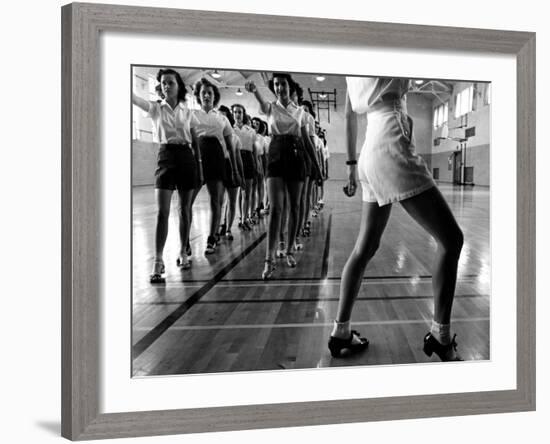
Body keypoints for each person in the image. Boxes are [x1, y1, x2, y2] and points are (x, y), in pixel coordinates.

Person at [329, 77, 464, 362]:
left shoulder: (351, 57)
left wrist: (352, 166)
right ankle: (441, 337)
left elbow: (350, 113)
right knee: (451, 240)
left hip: (369, 149)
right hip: (391, 141)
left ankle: (340, 331)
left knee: (364, 248)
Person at [245, 73, 321, 279]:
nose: (279, 88)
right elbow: (261, 102)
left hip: (296, 156)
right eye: (276, 85)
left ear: (290, 86)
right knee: (277, 208)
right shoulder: (271, 107)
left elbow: (307, 141)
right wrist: (255, 92)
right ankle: (269, 259)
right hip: (276, 154)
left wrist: (316, 166)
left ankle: (288, 250)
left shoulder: (301, 113)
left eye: (283, 84)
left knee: (295, 206)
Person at [131, 68, 198, 282]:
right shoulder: (155, 109)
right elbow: (135, 99)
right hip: (166, 156)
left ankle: (183, 251)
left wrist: (199, 166)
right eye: (164, 83)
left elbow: (195, 141)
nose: (167, 85)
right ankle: (158, 260)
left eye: (171, 82)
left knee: (185, 209)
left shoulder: (188, 112)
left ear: (178, 86)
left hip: (186, 156)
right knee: (163, 211)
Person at [191, 78, 238, 254]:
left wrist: (233, 169)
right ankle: (184, 243)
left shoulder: (222, 118)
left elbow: (230, 145)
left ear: (215, 96)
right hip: (197, 155)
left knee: (216, 200)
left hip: (216, 156)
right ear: (198, 96)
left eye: (210, 93)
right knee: (187, 201)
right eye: (203, 93)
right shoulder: (192, 114)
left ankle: (212, 237)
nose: (207, 96)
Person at [218, 105, 244, 240]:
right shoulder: (214, 135)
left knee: (232, 201)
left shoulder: (234, 137)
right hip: (219, 167)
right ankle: (217, 229)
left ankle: (228, 228)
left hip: (231, 167)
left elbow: (238, 159)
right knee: (218, 201)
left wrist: (240, 174)